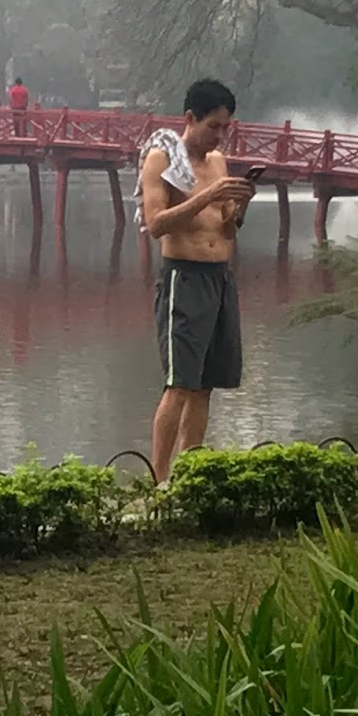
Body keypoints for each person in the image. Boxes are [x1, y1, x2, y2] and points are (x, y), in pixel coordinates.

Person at [133, 78, 257, 484]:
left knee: (205, 385)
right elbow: (156, 224)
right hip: (183, 279)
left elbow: (225, 228)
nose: (219, 136)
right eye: (212, 126)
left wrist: (239, 206)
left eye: (225, 127)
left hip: (219, 278)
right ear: (190, 118)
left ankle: (189, 474)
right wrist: (207, 194)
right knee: (180, 385)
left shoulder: (218, 162)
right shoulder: (162, 160)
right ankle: (159, 481)